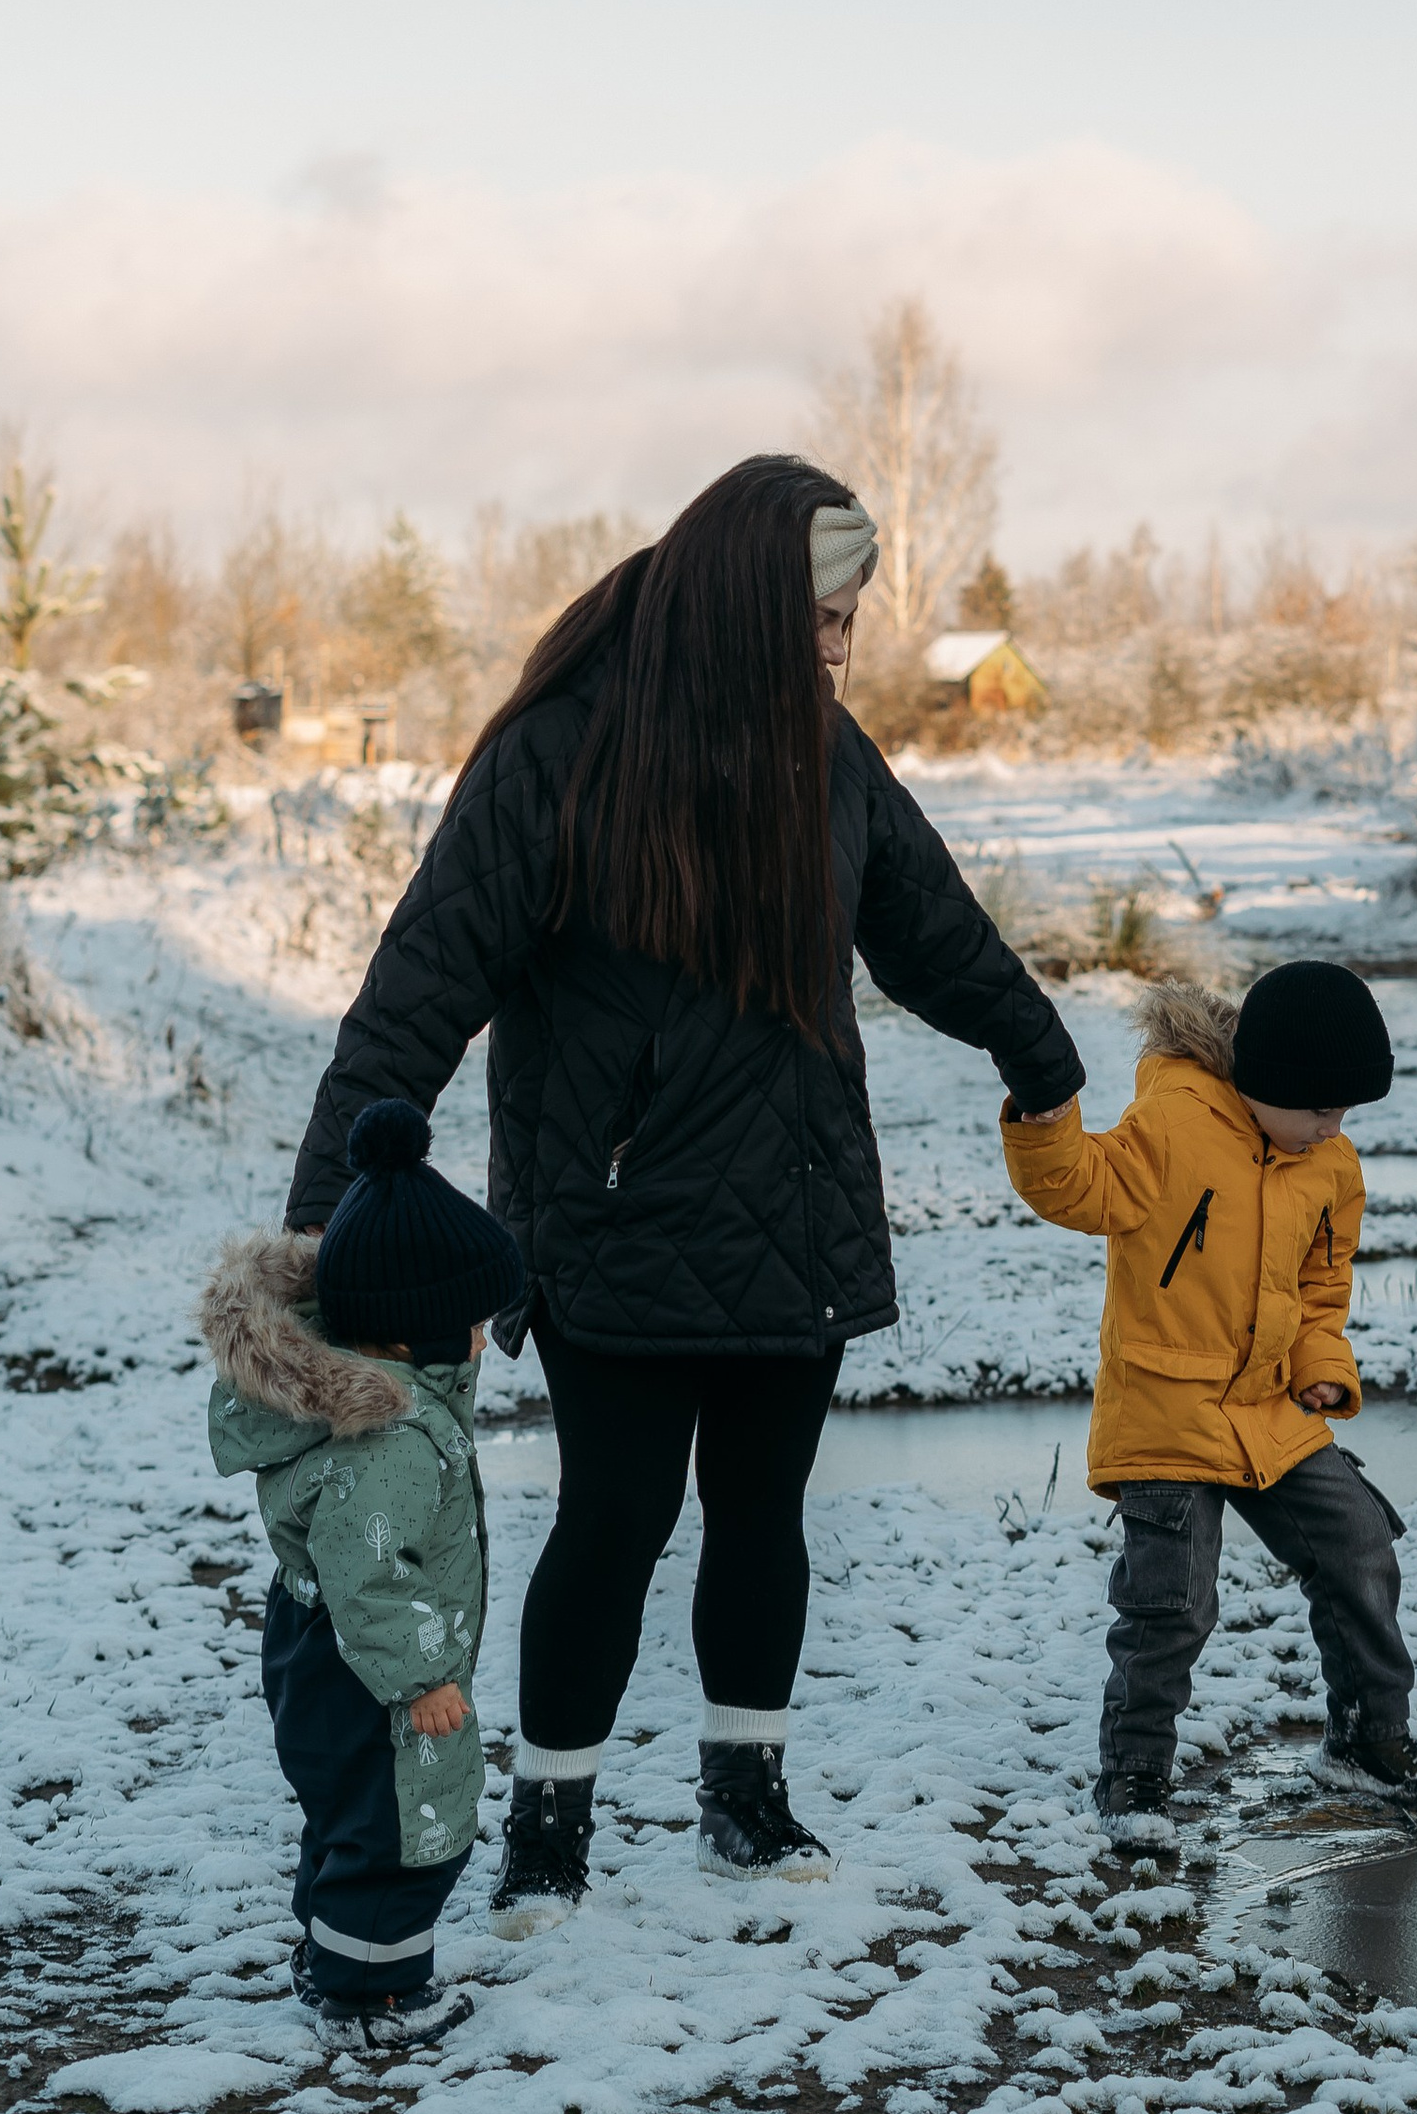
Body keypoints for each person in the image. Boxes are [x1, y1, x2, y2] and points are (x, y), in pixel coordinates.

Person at [284, 452, 1085, 1925]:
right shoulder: (560, 756)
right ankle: (550, 1827)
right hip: (614, 1228)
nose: (839, 654)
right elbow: (416, 995)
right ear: (744, 605)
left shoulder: (824, 753)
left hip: (798, 1215)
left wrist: (1042, 1056)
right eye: (823, 621)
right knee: (615, 1521)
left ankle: (746, 1801)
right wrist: (321, 1223)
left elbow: (934, 930)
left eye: (849, 624)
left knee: (764, 1514)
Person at [1003, 959, 1417, 1824]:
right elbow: (1080, 1187)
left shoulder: (1329, 1165)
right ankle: (1135, 1775)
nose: (1333, 1128)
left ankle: (1366, 1738)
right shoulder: (1173, 1123)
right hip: (1167, 1410)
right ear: (1268, 1080)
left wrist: (1322, 1364)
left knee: (1359, 1545)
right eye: (1320, 1108)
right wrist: (1045, 1123)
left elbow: (1322, 1285)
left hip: (1269, 1408)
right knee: (1172, 1600)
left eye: (1346, 1112)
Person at [203, 1096, 516, 2052]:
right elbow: (368, 1575)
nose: (480, 1340)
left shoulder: (386, 1403)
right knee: (395, 1832)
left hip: (326, 1652)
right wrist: (420, 1678)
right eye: (469, 1322)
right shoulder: (390, 1440)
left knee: (349, 1813)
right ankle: (369, 1999)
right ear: (409, 1332)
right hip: (366, 1664)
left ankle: (332, 1956)